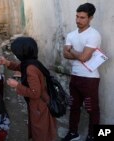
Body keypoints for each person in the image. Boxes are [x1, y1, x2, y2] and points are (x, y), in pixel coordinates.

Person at [0, 37, 57, 141]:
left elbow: (35, 93)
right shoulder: (31, 62)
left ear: (23, 52)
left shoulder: (30, 69)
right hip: (41, 104)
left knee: (40, 133)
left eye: (16, 52)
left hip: (40, 106)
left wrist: (17, 85)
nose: (15, 55)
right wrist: (6, 63)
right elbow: (19, 67)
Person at [62, 3, 101, 141]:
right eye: (77, 17)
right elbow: (64, 54)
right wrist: (79, 54)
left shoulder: (94, 35)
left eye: (82, 17)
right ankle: (73, 133)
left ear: (90, 18)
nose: (78, 20)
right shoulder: (71, 35)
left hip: (90, 78)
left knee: (92, 109)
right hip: (75, 76)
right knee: (74, 106)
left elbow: (85, 57)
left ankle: (93, 135)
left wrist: (72, 50)